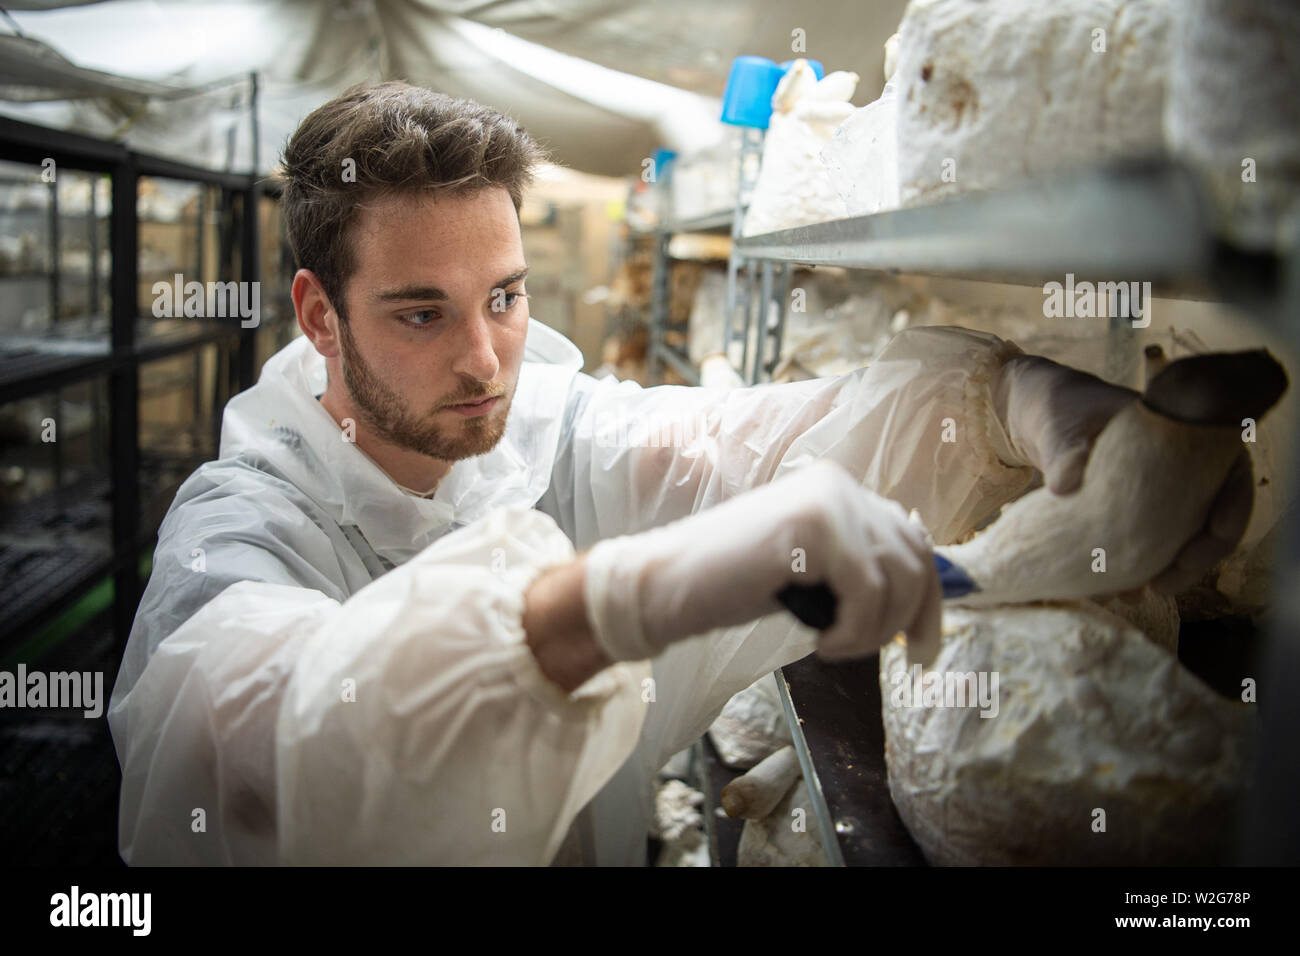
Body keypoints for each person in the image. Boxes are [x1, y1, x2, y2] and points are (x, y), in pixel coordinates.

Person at [107, 81, 1253, 866]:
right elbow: (268, 760)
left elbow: (765, 436)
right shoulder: (240, 529)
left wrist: (1022, 409)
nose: (481, 356)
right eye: (421, 311)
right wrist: (603, 604)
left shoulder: (548, 436)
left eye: (504, 297)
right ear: (318, 313)